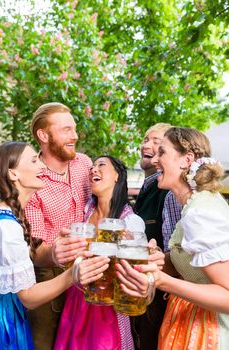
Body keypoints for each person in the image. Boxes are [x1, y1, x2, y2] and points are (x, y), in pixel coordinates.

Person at [116, 127, 229, 349]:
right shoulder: (193, 204)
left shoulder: (200, 212)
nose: (155, 160)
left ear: (186, 160)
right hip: (189, 319)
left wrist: (161, 280)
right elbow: (194, 262)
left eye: (162, 153)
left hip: (211, 331)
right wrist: (161, 260)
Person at [54, 155, 145, 350]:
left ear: (117, 177)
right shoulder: (85, 210)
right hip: (76, 298)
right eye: (92, 167)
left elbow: (134, 272)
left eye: (101, 165)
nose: (93, 169)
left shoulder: (130, 221)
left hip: (107, 307)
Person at [25, 102, 92, 350]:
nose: (74, 136)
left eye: (74, 129)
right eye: (65, 130)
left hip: (90, 270)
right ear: (43, 135)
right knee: (45, 343)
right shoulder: (33, 179)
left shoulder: (84, 164)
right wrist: (54, 252)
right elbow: (36, 251)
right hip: (49, 276)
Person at [0, 141, 76, 350]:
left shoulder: (4, 214)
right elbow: (29, 298)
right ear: (13, 174)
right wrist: (73, 274)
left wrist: (55, 252)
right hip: (3, 324)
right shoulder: (7, 227)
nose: (42, 166)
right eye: (34, 160)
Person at [132, 123, 182, 350]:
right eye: (145, 139)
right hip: (145, 294)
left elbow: (176, 253)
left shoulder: (169, 192)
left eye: (156, 142)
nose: (147, 145)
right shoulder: (147, 188)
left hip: (161, 300)